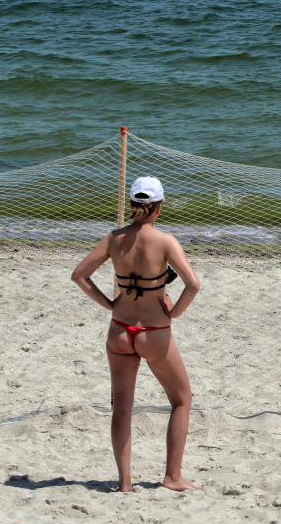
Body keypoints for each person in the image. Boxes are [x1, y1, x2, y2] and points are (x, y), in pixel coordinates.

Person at [71, 176, 201, 492]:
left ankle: (125, 482)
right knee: (182, 400)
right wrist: (175, 312)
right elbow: (193, 284)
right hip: (153, 330)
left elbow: (80, 276)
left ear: (132, 205)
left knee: (123, 407)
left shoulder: (114, 239)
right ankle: (172, 476)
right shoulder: (165, 241)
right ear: (158, 208)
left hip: (119, 329)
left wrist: (110, 304)